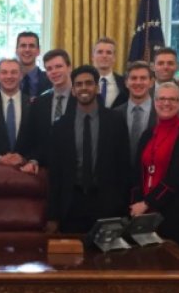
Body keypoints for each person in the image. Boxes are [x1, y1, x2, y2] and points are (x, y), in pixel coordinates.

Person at [45, 65, 130, 234]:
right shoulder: (61, 125)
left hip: (107, 204)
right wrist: (53, 215)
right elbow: (55, 174)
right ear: (74, 90)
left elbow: (124, 167)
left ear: (97, 88)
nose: (84, 88)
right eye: (79, 84)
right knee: (73, 259)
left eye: (89, 83)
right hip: (72, 204)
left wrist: (123, 208)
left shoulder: (115, 121)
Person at [131, 82, 179, 252]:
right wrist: (137, 204)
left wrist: (147, 203)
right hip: (145, 214)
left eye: (172, 99)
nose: (166, 103)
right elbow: (138, 172)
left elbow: (176, 177)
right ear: (155, 102)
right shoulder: (147, 134)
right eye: (161, 99)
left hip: (173, 212)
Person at [18, 49, 74, 172]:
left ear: (69, 67)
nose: (54, 72)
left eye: (58, 66)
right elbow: (32, 139)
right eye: (49, 69)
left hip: (78, 170)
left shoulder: (82, 100)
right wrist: (33, 160)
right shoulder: (39, 103)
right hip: (47, 170)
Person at [113, 61, 156, 166]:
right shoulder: (114, 114)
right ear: (126, 82)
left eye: (143, 78)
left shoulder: (161, 113)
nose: (138, 82)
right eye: (133, 78)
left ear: (151, 82)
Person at [91, 36, 128, 108]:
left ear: (114, 58)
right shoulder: (84, 82)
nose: (104, 56)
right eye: (100, 52)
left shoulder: (124, 83)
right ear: (93, 57)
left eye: (108, 52)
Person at [16, 31, 52, 98]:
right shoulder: (6, 81)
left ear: (38, 51)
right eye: (23, 46)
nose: (27, 50)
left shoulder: (50, 79)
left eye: (31, 46)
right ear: (17, 50)